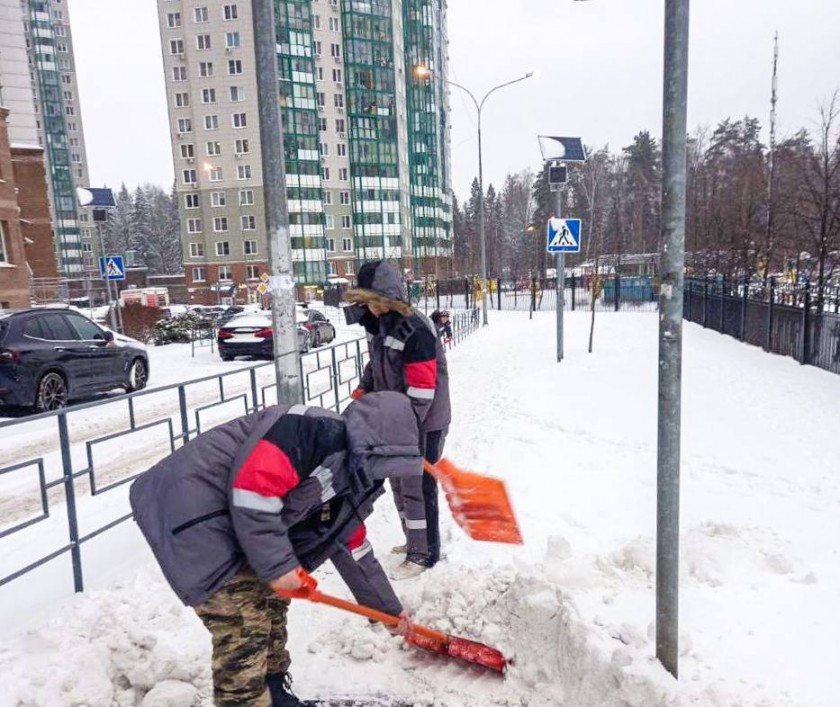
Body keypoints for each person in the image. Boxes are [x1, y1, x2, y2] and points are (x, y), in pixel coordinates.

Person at [129, 392, 420, 707]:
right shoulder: (310, 432)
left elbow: (352, 546)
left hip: (235, 518)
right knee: (244, 623)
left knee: (271, 605)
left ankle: (276, 695)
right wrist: (279, 567)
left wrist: (388, 610)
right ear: (375, 442)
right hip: (192, 508)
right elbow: (254, 491)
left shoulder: (351, 474)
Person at [345, 261, 450, 580]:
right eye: (367, 304)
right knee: (399, 482)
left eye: (375, 303)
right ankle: (412, 542)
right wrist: (366, 387)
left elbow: (422, 393)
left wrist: (398, 426)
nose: (371, 310)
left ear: (389, 299)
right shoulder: (382, 325)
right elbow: (377, 362)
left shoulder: (414, 329)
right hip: (396, 418)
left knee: (418, 485)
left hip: (424, 420)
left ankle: (425, 553)